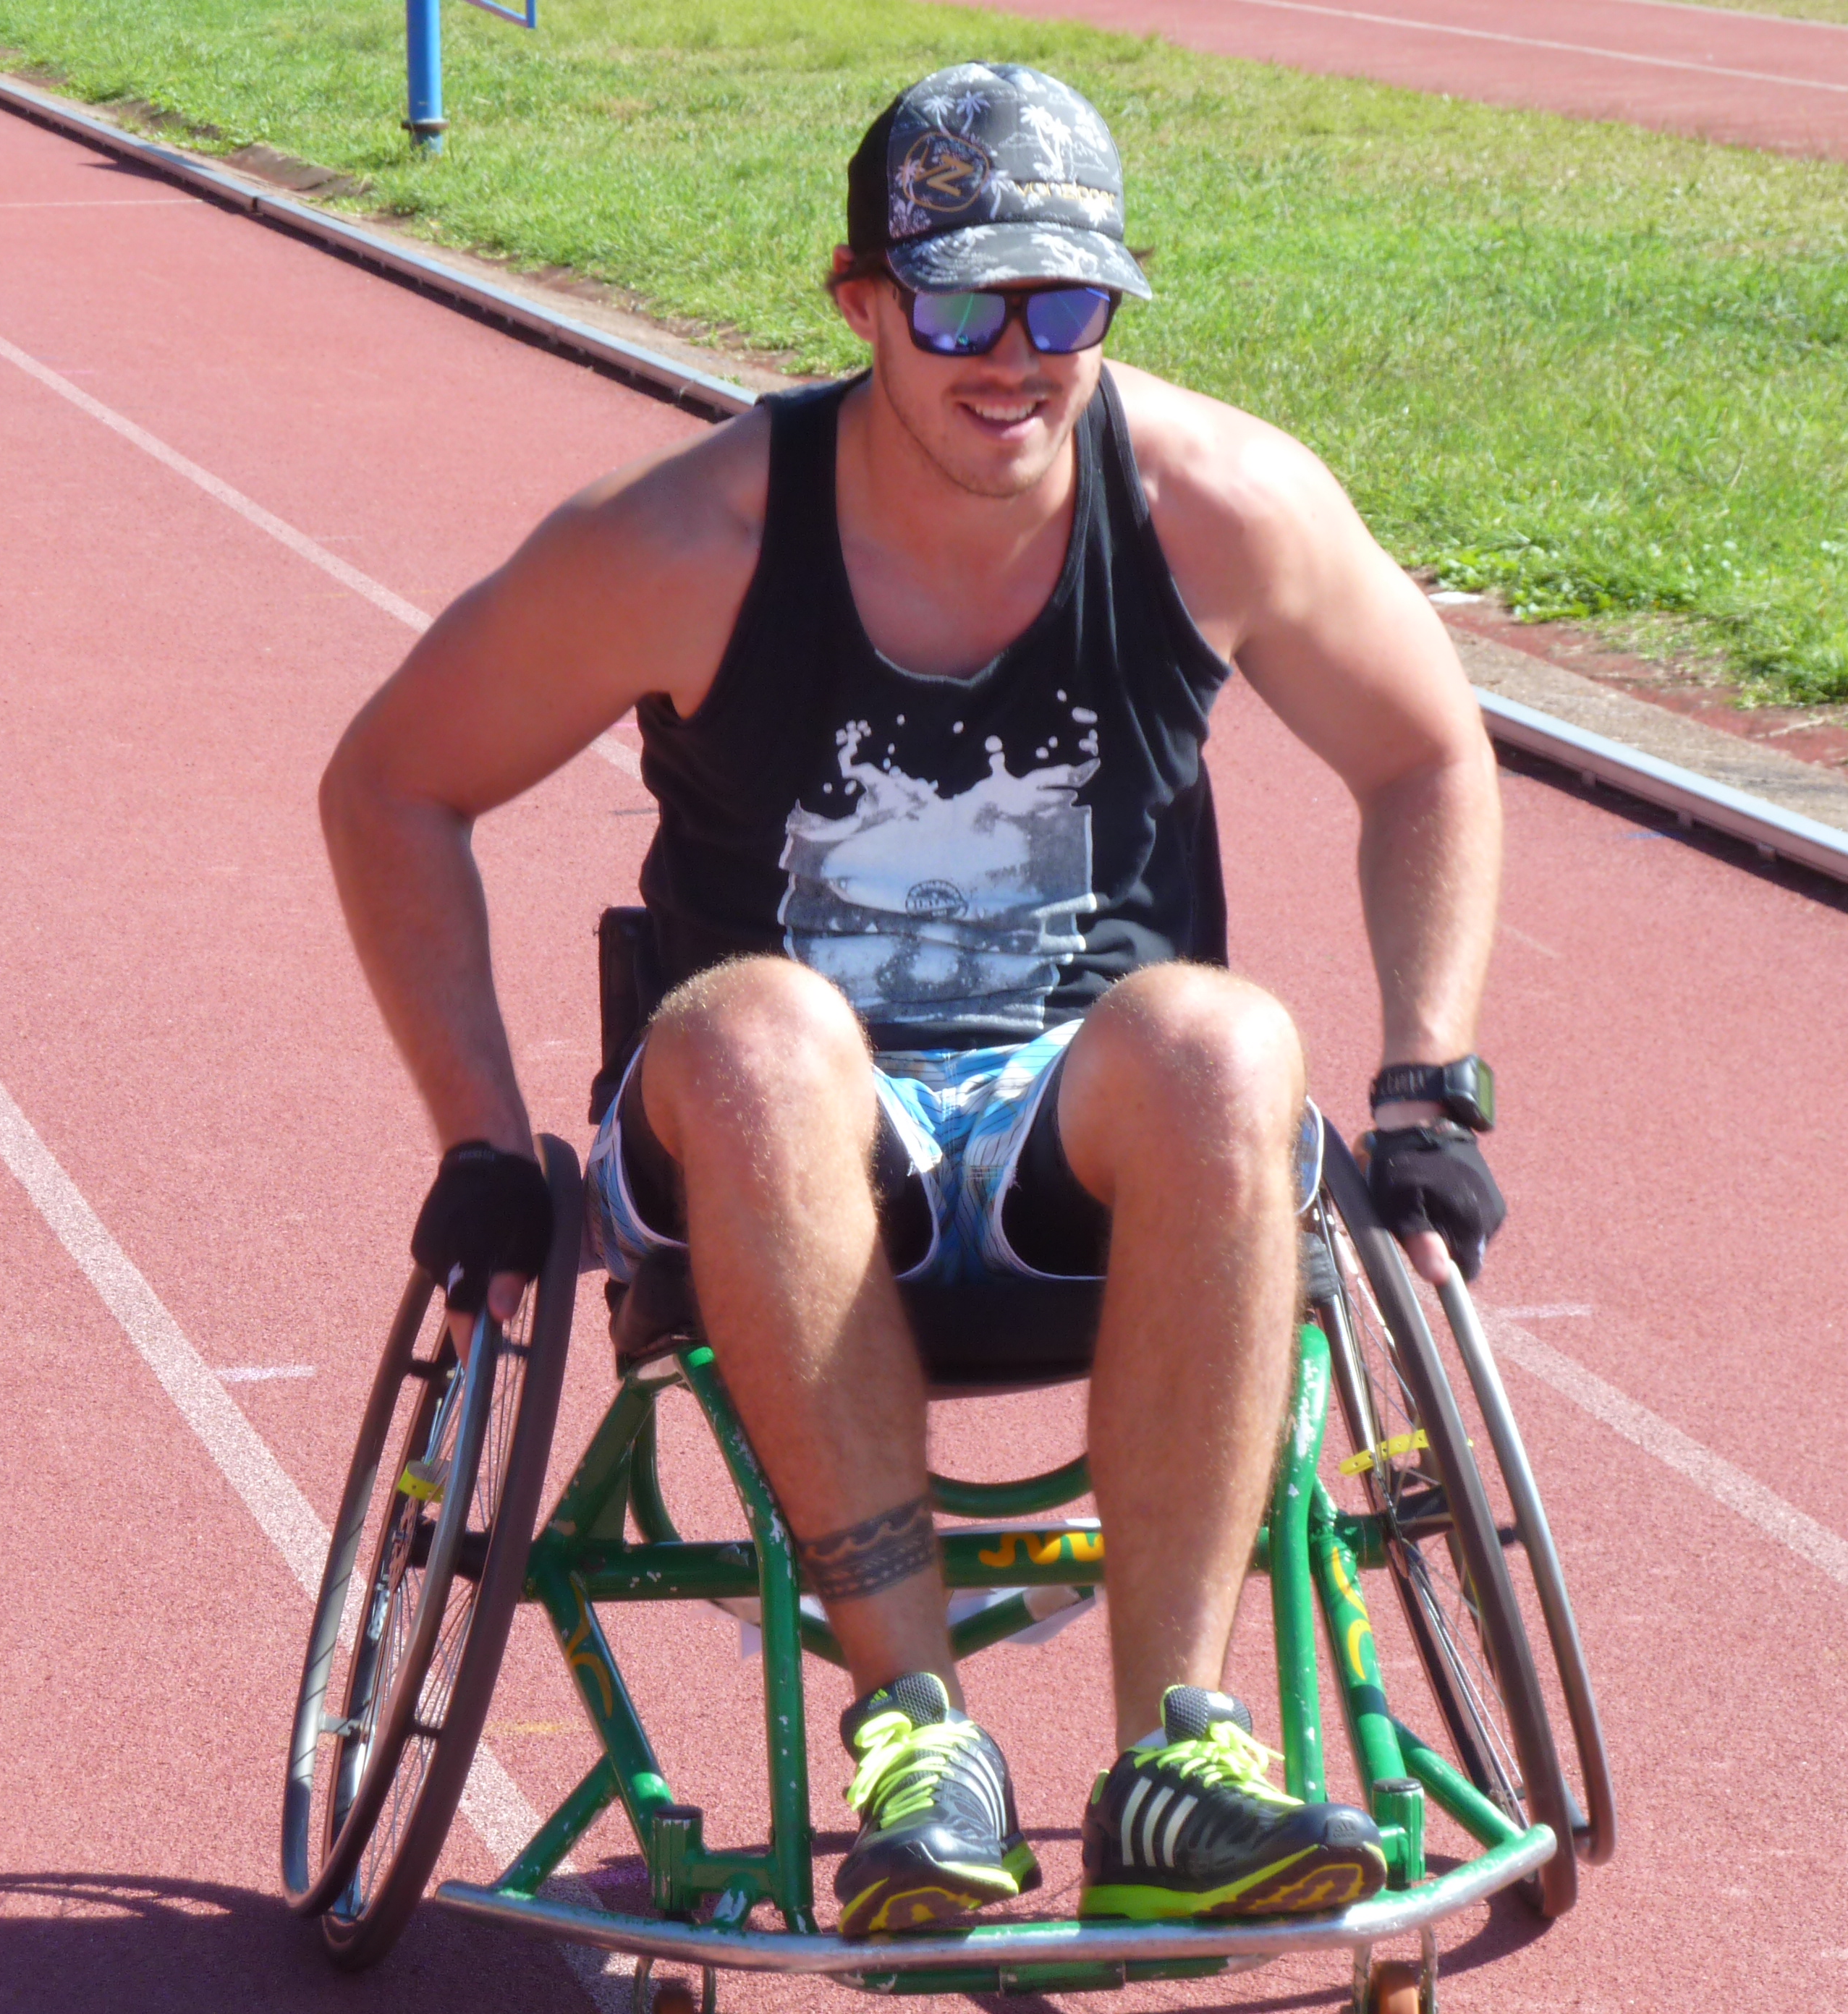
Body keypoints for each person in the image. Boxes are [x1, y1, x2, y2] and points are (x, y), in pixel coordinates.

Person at [321, 61, 1508, 1940]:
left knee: (1224, 1038)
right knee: (761, 1031)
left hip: (1081, 1134)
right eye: (961, 307)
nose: (1014, 358)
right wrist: (476, 1142)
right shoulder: (689, 540)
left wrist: (1428, 1083)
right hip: (772, 1134)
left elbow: (1428, 753)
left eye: (1065, 305)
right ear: (863, 300)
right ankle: (916, 1736)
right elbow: (393, 783)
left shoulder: (1218, 504)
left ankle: (1181, 1760)